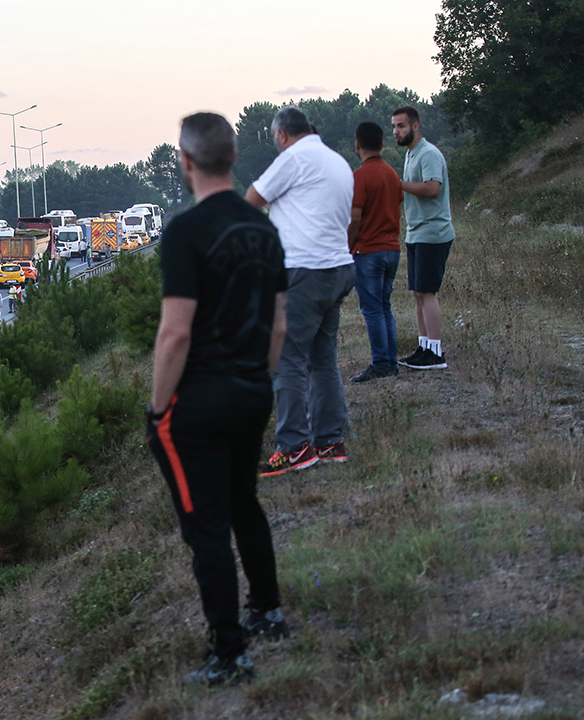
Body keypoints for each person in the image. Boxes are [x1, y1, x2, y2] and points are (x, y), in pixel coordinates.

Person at [147, 112, 288, 687]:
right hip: (254, 389)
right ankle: (269, 611)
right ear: (232, 158)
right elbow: (279, 325)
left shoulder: (184, 232)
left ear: (186, 162)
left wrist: (158, 410)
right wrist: (255, 377)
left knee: (206, 528)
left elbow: (175, 333)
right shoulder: (265, 230)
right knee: (243, 504)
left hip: (198, 402)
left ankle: (229, 654)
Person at [245, 105, 355, 475]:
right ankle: (330, 441)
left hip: (303, 271)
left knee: (286, 359)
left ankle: (294, 448)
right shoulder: (337, 161)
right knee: (323, 359)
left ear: (281, 135)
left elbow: (253, 198)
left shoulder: (294, 158)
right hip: (338, 268)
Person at [393, 105, 455, 370]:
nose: (396, 131)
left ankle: (436, 353)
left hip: (433, 232)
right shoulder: (410, 155)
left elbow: (432, 188)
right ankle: (424, 346)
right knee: (418, 292)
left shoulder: (428, 154)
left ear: (415, 126)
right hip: (416, 232)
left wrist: (397, 184)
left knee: (427, 292)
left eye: (401, 126)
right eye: (394, 126)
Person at [348, 121, 403, 383]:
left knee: (371, 310)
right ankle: (391, 361)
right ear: (382, 144)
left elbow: (355, 218)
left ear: (357, 145)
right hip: (392, 249)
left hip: (369, 251)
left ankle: (381, 363)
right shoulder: (392, 174)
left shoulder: (360, 176)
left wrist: (349, 246)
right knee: (384, 306)